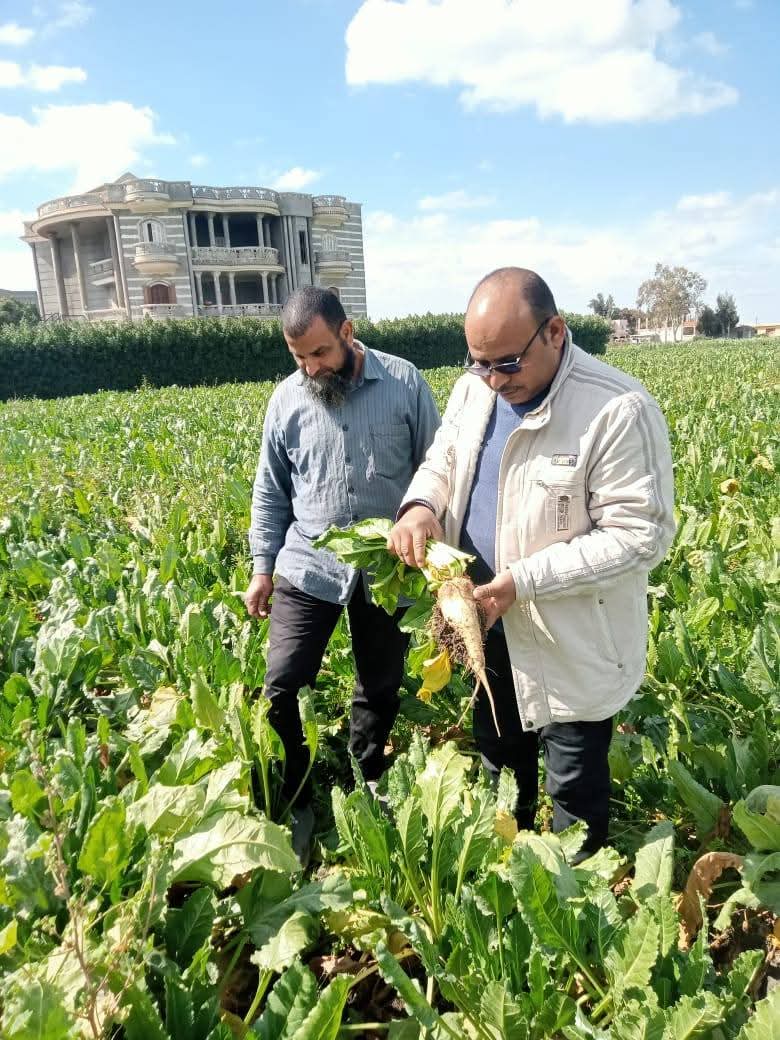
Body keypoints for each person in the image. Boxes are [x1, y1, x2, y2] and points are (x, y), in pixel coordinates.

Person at [388, 267, 675, 859]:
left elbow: (640, 536)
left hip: (571, 638)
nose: (495, 381)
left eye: (508, 364)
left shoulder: (616, 409)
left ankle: (575, 896)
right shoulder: (474, 391)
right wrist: (420, 505)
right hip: (483, 622)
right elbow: (442, 460)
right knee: (500, 760)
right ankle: (509, 868)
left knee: (572, 786)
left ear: (555, 332)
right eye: (480, 363)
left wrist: (522, 582)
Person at [245, 286, 440, 849]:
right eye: (299, 357)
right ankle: (294, 788)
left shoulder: (403, 382)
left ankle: (366, 774)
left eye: (320, 353)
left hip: (388, 564)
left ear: (347, 334)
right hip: (309, 561)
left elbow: (437, 467)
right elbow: (270, 491)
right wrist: (262, 567)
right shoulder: (286, 400)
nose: (310, 368)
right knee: (284, 681)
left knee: (380, 683)